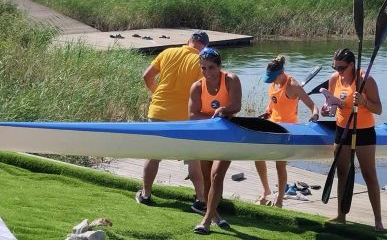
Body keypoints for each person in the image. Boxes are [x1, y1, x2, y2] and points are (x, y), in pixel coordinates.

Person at [136, 31, 211, 216]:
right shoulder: (201, 62)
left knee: (153, 156)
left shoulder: (168, 52)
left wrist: (156, 94)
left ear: (189, 41)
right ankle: (200, 200)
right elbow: (206, 90)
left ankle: (145, 194)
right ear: (205, 46)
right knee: (193, 159)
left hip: (158, 111)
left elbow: (147, 76)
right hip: (186, 116)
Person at [322, 48, 384, 232]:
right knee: (343, 172)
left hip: (363, 131)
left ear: (351, 65)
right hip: (342, 130)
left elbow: (379, 109)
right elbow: (333, 105)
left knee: (369, 174)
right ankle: (341, 216)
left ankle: (378, 221)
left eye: (341, 68)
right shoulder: (334, 79)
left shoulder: (365, 80)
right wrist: (327, 109)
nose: (338, 71)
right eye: (335, 66)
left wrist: (364, 102)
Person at [254, 55, 319, 208]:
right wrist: (267, 111)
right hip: (271, 126)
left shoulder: (293, 85)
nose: (272, 81)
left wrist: (314, 115)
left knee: (280, 165)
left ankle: (280, 200)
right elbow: (273, 101)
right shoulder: (274, 83)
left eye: (273, 78)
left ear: (281, 73)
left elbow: (313, 106)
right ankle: (266, 190)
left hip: (286, 130)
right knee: (257, 156)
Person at [192, 48, 242, 235]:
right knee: (206, 178)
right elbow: (192, 115)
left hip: (227, 135)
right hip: (207, 136)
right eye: (203, 68)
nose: (207, 73)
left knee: (216, 175)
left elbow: (236, 106)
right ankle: (215, 215)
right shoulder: (197, 86)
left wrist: (223, 110)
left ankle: (205, 221)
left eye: (211, 68)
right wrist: (212, 117)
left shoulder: (231, 79)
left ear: (219, 66)